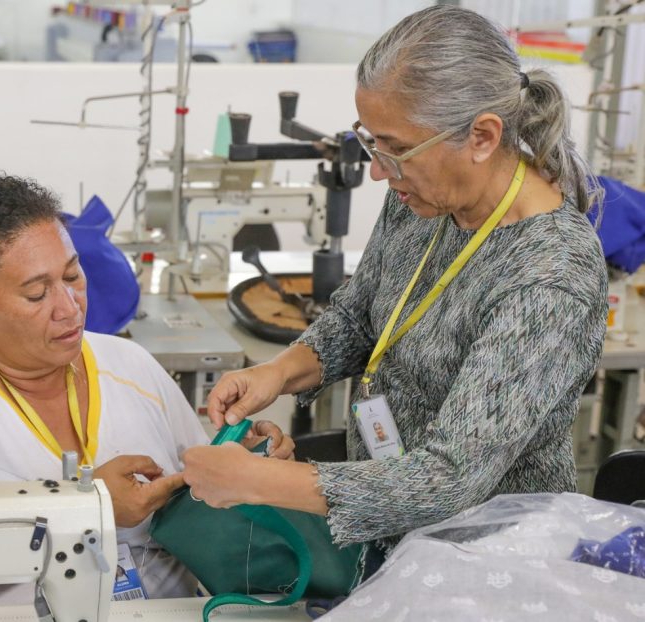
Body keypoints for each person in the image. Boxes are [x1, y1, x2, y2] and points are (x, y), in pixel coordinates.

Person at [182, 4, 608, 578]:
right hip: (395, 547)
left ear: (482, 136)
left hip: (492, 567)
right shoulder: (423, 198)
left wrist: (258, 481)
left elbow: (449, 479)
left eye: (394, 149)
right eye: (372, 143)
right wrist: (278, 373)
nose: (379, 171)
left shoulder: (551, 277)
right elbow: (358, 318)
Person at [0, 174, 292, 607]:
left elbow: (208, 496)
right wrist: (88, 512)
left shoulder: (130, 365)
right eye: (36, 294)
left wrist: (247, 466)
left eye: (73, 274)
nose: (70, 307)